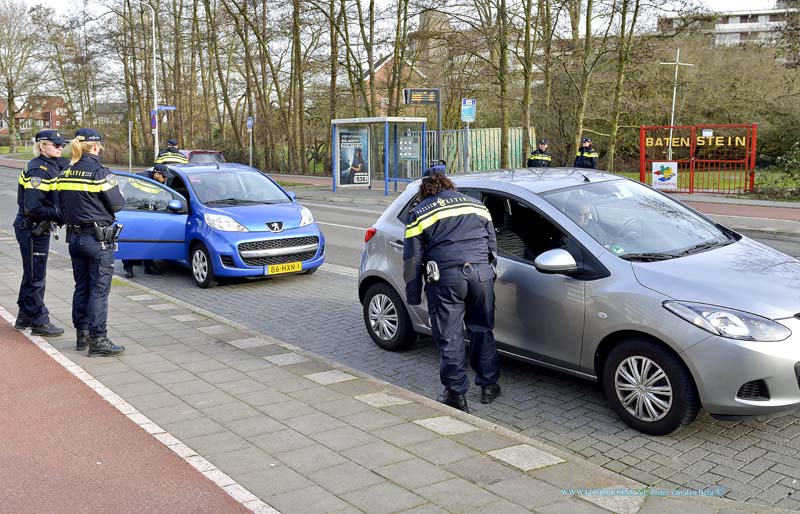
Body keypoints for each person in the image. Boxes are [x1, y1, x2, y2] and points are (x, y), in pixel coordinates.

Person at [403, 163, 500, 413]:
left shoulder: (419, 212)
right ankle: (488, 386)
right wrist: (487, 272)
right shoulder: (476, 205)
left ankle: (457, 395)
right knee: (482, 329)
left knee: (450, 336)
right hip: (481, 274)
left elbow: (413, 258)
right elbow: (491, 244)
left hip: (447, 279)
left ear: (425, 187)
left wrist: (413, 294)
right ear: (447, 182)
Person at [58, 128, 125, 357]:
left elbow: (61, 204)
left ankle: (81, 336)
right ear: (95, 146)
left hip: (75, 238)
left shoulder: (66, 172)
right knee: (98, 291)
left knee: (82, 287)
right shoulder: (99, 172)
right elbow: (117, 204)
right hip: (98, 240)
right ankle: (99, 339)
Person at [13, 130, 67, 337]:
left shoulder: (51, 165)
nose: (60, 148)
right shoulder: (38, 170)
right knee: (36, 276)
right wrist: (60, 215)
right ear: (43, 146)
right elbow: (33, 207)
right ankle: (39, 321)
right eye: (56, 145)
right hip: (33, 227)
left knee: (32, 273)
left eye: (62, 145)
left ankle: (24, 316)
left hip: (36, 227)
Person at [122, 164, 168, 278]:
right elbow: (128, 195)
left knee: (148, 240)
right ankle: (128, 267)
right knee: (131, 241)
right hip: (134, 212)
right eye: (164, 176)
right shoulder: (140, 179)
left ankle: (149, 265)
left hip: (148, 214)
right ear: (157, 174)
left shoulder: (156, 180)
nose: (166, 179)